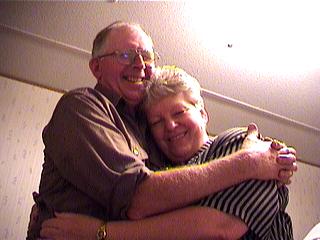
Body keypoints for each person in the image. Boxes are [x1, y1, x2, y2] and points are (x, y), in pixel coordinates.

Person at [27, 21, 297, 239]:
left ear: (203, 113)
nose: (140, 65)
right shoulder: (84, 106)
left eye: (147, 56)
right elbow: (140, 199)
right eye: (125, 55)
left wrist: (100, 232)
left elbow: (219, 227)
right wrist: (248, 163)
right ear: (96, 67)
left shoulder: (236, 142)